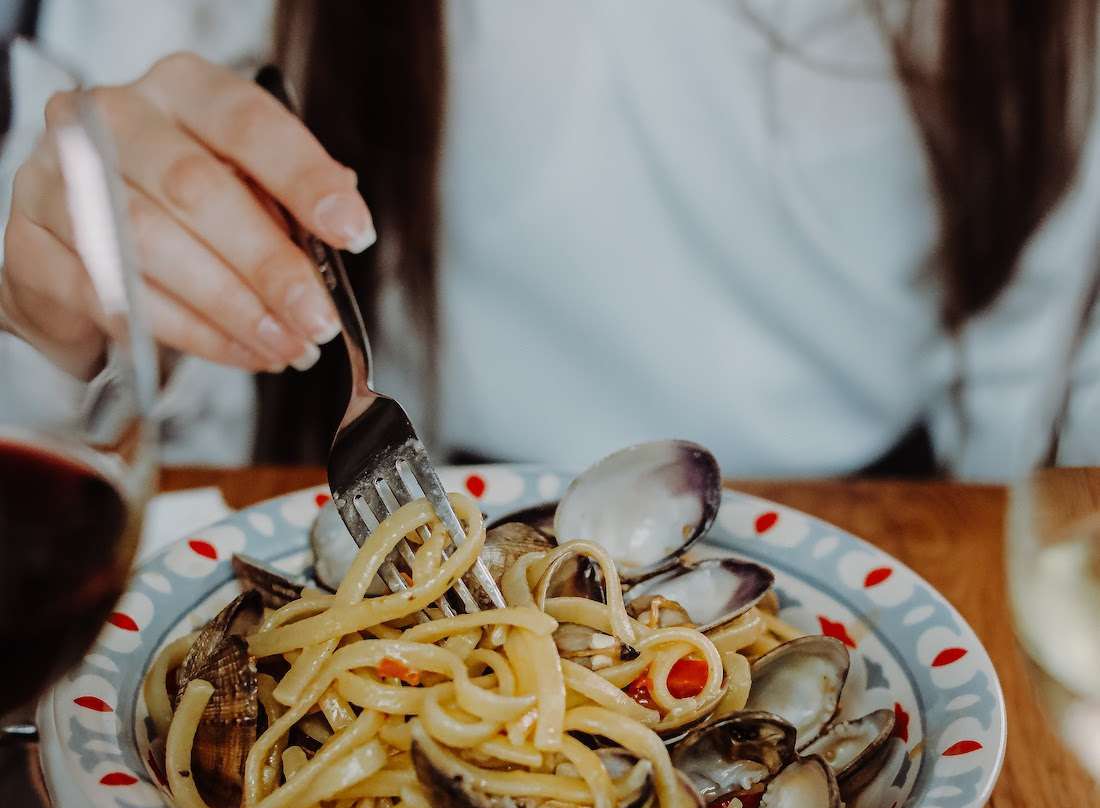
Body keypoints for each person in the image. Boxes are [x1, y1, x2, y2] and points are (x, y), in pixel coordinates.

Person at [1, 0, 1098, 477]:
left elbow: (1050, 378)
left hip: (891, 526)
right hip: (419, 495)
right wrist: (66, 304)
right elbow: (72, 339)